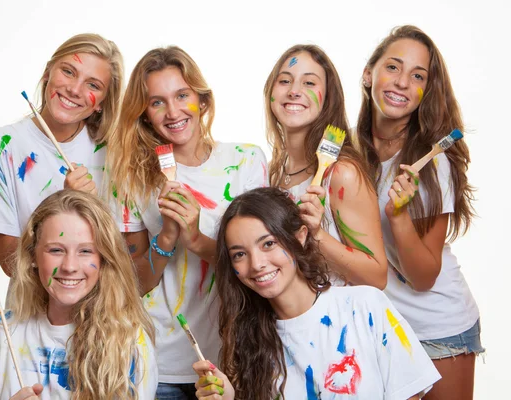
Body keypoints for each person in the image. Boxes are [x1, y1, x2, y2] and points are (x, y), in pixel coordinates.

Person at [107, 46, 268, 399]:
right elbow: (134, 283)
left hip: (232, 356)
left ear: (203, 101)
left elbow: (264, 266)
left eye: (182, 95)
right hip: (156, 360)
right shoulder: (132, 180)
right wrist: (166, 235)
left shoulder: (244, 162)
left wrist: (195, 238)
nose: (173, 111)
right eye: (157, 102)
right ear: (145, 114)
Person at [192, 187, 440, 399]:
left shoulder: (365, 307)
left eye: (268, 244)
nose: (256, 264)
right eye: (240, 254)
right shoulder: (246, 342)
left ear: (299, 237)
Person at [356, 25, 483, 399]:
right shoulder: (346, 152)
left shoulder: (433, 164)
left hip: (437, 330)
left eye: (417, 76)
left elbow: (425, 277)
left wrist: (398, 217)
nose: (401, 83)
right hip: (378, 328)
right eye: (393, 67)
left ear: (426, 91)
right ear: (369, 73)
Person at [0, 189, 157, 399]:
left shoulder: (130, 341)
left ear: (103, 260)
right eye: (56, 250)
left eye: (85, 251)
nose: (70, 266)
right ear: (32, 255)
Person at [0, 33, 123, 277]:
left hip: (102, 309)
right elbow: (12, 265)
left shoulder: (117, 155)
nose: (74, 89)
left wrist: (92, 211)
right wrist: (65, 204)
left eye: (93, 85)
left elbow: (123, 261)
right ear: (47, 73)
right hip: (31, 309)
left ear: (102, 103)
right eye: (68, 71)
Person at [264, 45, 387, 288]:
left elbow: (377, 277)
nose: (294, 91)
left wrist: (317, 234)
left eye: (309, 83)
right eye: (285, 80)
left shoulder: (343, 174)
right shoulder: (272, 172)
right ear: (270, 91)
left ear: (328, 98)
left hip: (335, 322)